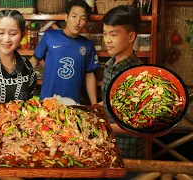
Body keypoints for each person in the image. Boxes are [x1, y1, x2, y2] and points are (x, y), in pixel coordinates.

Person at [100, 5, 146, 164]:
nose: (107, 40)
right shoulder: (110, 64)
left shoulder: (137, 75)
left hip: (126, 155)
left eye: (113, 34)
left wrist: (102, 126)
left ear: (131, 36)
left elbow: (138, 125)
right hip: (106, 148)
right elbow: (108, 103)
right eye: (105, 34)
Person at [29, 0, 99, 104]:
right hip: (47, 101)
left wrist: (95, 105)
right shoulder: (50, 37)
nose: (77, 22)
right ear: (66, 17)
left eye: (82, 18)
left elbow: (90, 75)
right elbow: (33, 62)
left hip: (73, 103)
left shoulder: (87, 45)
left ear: (86, 22)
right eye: (74, 16)